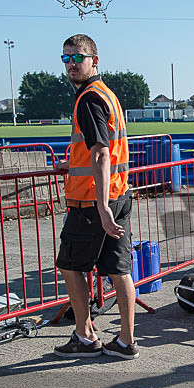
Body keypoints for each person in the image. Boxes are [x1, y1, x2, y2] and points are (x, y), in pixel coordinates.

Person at [53, 34, 139, 360]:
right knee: (119, 270)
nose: (71, 64)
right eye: (66, 58)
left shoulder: (88, 99)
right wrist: (72, 163)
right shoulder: (107, 94)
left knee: (70, 266)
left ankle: (85, 335)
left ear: (94, 60)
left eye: (78, 57)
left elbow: (102, 153)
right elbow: (97, 151)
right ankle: (126, 341)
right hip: (118, 194)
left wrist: (101, 208)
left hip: (92, 202)